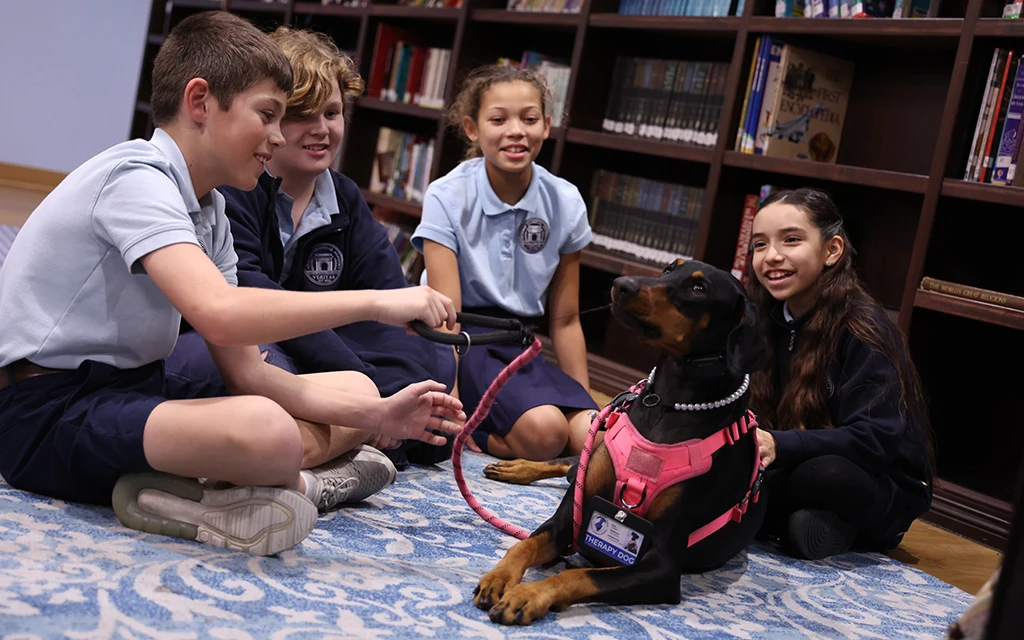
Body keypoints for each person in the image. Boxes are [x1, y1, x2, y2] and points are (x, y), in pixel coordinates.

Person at [0, 11, 463, 557]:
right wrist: (380, 302)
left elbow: (247, 370)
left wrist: (380, 416)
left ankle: (228, 483)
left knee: (356, 389)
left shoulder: (211, 210)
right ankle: (296, 485)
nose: (275, 136)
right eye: (269, 114)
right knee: (268, 431)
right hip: (44, 415)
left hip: (132, 390)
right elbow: (219, 311)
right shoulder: (134, 178)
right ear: (200, 102)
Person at [165, 26, 457, 469]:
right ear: (271, 118)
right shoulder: (231, 188)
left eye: (334, 113)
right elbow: (252, 307)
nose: (322, 130)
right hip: (246, 348)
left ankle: (339, 440)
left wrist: (397, 388)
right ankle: (341, 442)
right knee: (255, 376)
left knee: (432, 373)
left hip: (332, 356)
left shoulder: (345, 197)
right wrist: (374, 391)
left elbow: (390, 311)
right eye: (302, 114)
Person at [411, 65, 597, 461]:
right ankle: (483, 438)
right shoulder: (447, 195)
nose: (516, 131)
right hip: (466, 342)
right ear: (473, 129)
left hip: (522, 343)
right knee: (546, 434)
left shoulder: (564, 200)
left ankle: (552, 423)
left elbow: (566, 319)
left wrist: (587, 404)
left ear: (546, 126)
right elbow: (448, 317)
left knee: (591, 439)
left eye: (529, 119)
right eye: (499, 119)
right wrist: (452, 406)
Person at [747, 187, 933, 560]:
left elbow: (876, 440)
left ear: (832, 250)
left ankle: (774, 517)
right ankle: (805, 525)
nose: (773, 256)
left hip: (874, 481)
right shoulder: (762, 318)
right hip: (792, 464)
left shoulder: (864, 327)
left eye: (791, 240)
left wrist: (779, 445)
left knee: (824, 475)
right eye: (759, 245)